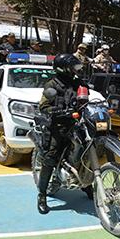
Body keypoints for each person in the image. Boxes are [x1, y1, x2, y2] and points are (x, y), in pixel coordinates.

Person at [36, 54, 86, 214]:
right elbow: (43, 106)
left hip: (76, 124)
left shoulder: (77, 82)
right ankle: (42, 195)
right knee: (51, 157)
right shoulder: (52, 84)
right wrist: (59, 111)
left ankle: (87, 184)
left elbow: (86, 97)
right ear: (63, 68)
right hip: (58, 126)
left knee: (85, 151)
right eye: (73, 67)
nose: (76, 70)